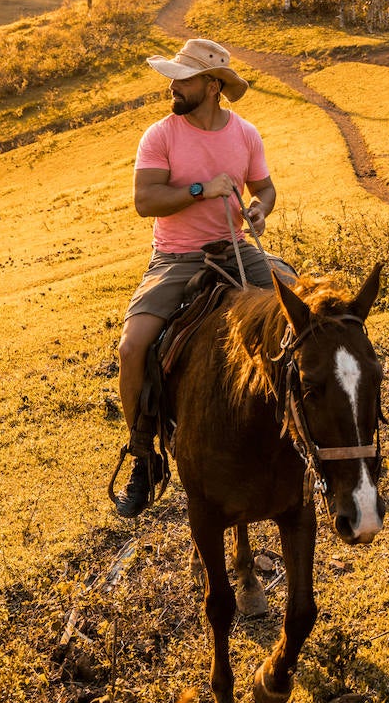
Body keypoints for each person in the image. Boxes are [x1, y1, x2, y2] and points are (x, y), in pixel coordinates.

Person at [112, 37, 293, 518]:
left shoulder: (245, 134)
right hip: (178, 257)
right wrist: (199, 190)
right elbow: (145, 201)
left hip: (237, 251)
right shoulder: (161, 135)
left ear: (212, 86)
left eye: (183, 78)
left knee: (299, 302)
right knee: (133, 346)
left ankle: (305, 423)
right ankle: (143, 455)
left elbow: (266, 188)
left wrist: (259, 210)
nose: (173, 85)